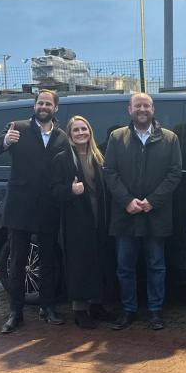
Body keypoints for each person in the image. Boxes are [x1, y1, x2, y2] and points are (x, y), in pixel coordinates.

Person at [0, 89, 70, 333]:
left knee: (48, 261)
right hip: (20, 207)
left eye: (48, 103)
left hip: (48, 208)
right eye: (40, 102)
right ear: (35, 105)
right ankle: (16, 312)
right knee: (18, 261)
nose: (43, 106)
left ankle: (48, 307)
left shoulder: (62, 136)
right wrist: (4, 142)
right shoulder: (16, 128)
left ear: (56, 108)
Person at [103, 93, 182, 331]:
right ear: (129, 109)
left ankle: (155, 311)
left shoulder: (170, 138)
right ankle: (129, 310)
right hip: (125, 214)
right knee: (124, 266)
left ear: (153, 109)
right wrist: (127, 201)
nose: (142, 109)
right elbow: (109, 172)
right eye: (137, 105)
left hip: (154, 214)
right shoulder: (117, 138)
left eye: (146, 105)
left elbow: (175, 173)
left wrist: (152, 201)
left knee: (156, 265)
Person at [50, 115, 116, 329]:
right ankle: (79, 310)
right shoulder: (61, 159)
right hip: (77, 222)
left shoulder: (98, 156)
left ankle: (96, 305)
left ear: (90, 132)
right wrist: (70, 191)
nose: (81, 133)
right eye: (76, 130)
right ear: (69, 135)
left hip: (100, 218)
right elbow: (53, 191)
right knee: (80, 264)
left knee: (99, 261)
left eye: (84, 129)